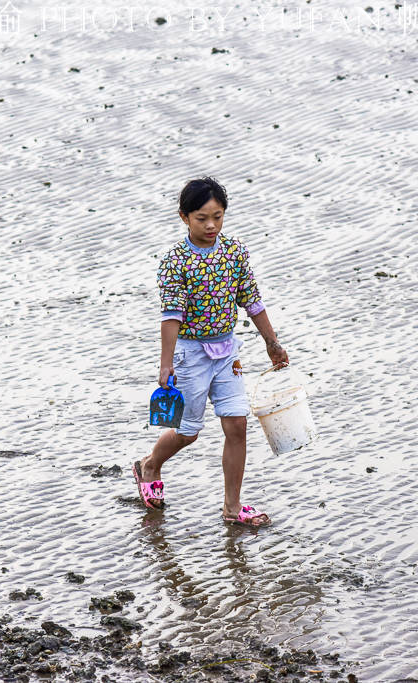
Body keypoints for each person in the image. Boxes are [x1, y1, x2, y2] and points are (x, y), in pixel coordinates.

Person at [132, 176, 289, 527]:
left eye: (218, 216)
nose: (211, 225)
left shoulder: (234, 251)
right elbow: (171, 315)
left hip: (227, 351)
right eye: (202, 218)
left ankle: (232, 508)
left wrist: (272, 343)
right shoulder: (175, 260)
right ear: (184, 217)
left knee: (237, 425)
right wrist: (166, 363)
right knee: (188, 431)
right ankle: (150, 465)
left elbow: (252, 300)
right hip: (190, 354)